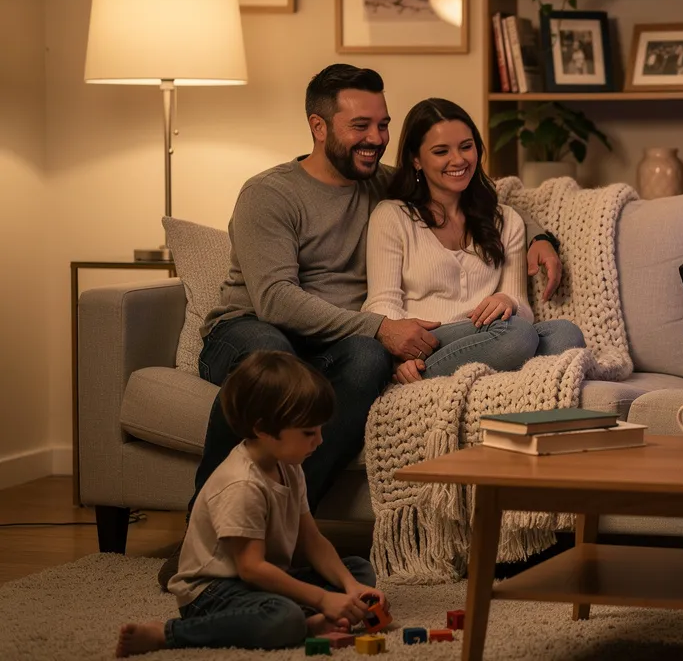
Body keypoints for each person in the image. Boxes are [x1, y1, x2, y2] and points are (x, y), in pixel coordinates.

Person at [160, 64, 564, 589]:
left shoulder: (379, 181)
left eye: (383, 125)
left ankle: (281, 534)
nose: (375, 140)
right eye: (361, 127)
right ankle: (204, 532)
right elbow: (276, 299)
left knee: (368, 360)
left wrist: (540, 235)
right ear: (319, 126)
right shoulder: (270, 194)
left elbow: (468, 188)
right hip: (249, 327)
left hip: (337, 339)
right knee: (273, 363)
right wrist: (379, 327)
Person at [117, 352, 385, 655]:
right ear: (263, 429)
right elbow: (251, 569)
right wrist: (323, 599)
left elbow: (311, 539)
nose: (320, 441)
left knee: (360, 571)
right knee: (282, 618)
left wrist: (350, 587)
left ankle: (306, 622)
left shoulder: (290, 464)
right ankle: (169, 634)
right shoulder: (242, 484)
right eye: (309, 432)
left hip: (262, 581)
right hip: (212, 592)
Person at [363, 98, 586, 383]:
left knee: (566, 333)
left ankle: (491, 382)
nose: (458, 160)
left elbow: (523, 309)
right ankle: (414, 376)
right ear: (416, 159)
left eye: (466, 147)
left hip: (494, 336)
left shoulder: (506, 220)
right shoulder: (392, 216)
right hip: (427, 341)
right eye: (441, 151)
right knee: (516, 335)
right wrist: (399, 357)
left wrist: (508, 300)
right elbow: (382, 303)